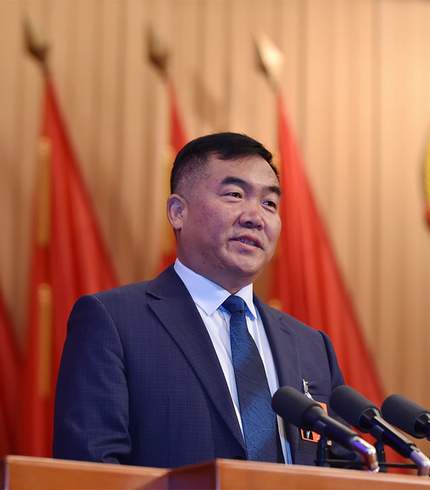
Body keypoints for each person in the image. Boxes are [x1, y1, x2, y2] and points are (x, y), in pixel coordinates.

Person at [53, 132, 345, 468]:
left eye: (269, 203)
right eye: (234, 195)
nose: (255, 217)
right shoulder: (114, 323)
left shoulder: (311, 347)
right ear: (178, 212)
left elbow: (341, 469)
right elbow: (92, 469)